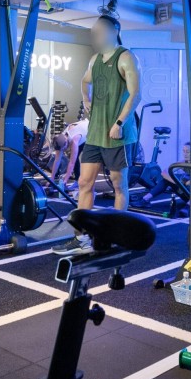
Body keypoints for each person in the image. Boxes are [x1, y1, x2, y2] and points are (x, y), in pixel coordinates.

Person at [55, 15, 140, 256]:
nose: (96, 36)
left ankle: (119, 234)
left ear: (114, 30)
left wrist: (119, 122)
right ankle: (81, 237)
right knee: (84, 183)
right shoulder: (95, 60)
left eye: (100, 31)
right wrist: (86, 99)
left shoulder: (126, 57)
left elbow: (136, 94)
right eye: (94, 32)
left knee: (118, 185)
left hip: (117, 134)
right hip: (95, 133)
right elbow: (85, 81)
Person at [47, 117, 89, 190]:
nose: (64, 151)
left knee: (80, 158)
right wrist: (51, 179)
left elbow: (72, 162)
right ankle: (77, 181)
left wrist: (65, 181)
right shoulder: (60, 138)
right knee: (73, 157)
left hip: (90, 133)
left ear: (66, 143)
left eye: (64, 149)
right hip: (81, 132)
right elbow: (57, 160)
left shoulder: (74, 140)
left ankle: (86, 184)